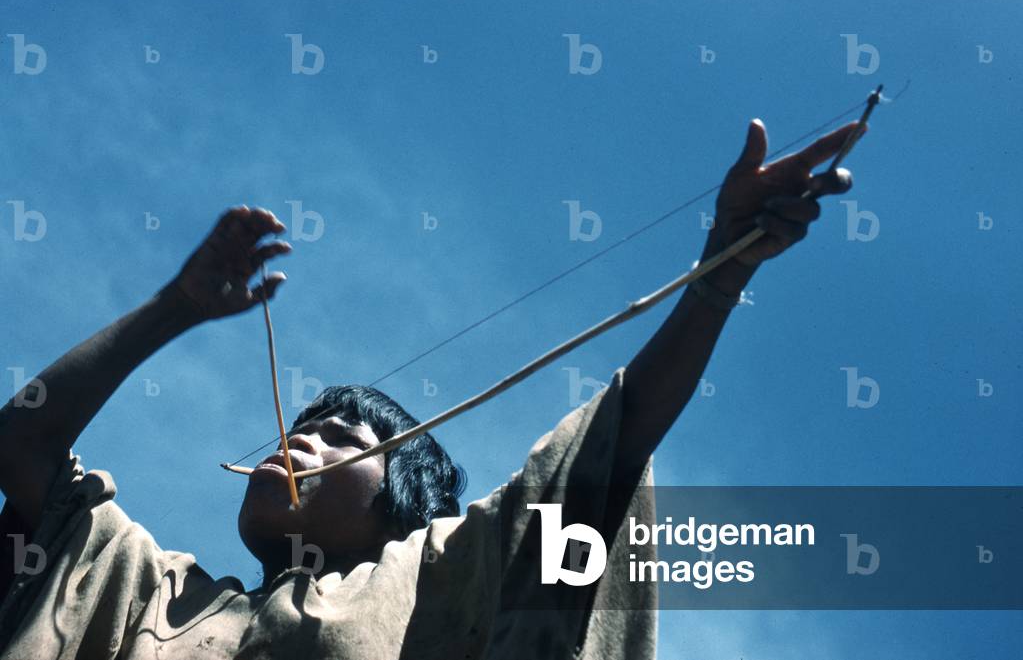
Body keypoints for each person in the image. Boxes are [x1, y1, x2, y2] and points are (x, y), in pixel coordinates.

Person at [0, 118, 864, 659]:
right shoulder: (150, 589)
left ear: (402, 510)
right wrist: (176, 308)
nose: (300, 440)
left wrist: (718, 276)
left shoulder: (437, 580)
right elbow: (24, 443)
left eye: (344, 437)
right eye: (303, 425)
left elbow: (598, 464)